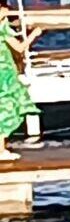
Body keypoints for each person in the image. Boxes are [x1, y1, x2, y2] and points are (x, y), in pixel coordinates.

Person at [0, 11, 32, 161]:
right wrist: (34, 35)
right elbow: (20, 47)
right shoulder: (2, 30)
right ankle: (1, 150)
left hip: (6, 72)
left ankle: (2, 148)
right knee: (5, 109)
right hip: (4, 74)